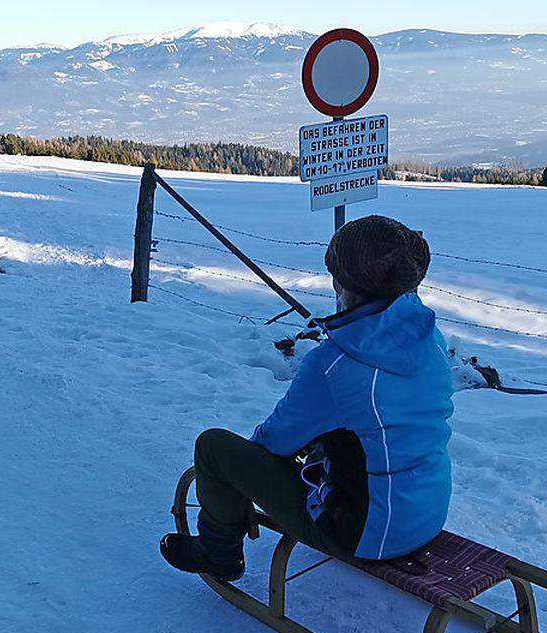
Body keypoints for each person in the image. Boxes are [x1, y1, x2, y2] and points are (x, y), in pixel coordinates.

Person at [160, 216, 454, 581]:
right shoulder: (428, 338)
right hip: (427, 511)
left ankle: (218, 553)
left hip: (371, 533)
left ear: (341, 281)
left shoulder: (335, 364)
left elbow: (274, 442)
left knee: (213, 448)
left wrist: (243, 479)